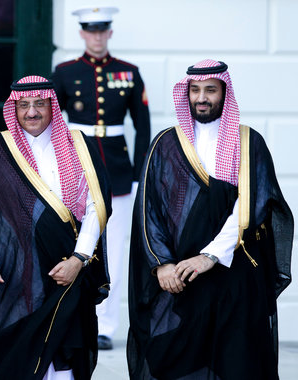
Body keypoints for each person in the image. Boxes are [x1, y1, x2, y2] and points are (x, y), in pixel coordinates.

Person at [127, 59, 293, 379]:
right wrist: (161, 264)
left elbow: (253, 205)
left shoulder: (249, 142)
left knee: (238, 360)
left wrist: (210, 255)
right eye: (195, 90)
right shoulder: (165, 143)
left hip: (236, 273)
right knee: (176, 360)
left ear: (224, 93)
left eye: (210, 90)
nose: (202, 97)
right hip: (180, 276)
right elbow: (148, 210)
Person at [0, 75, 112, 380]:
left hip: (66, 270)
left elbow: (97, 207)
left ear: (52, 105)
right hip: (13, 275)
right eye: (23, 105)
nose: (31, 112)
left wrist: (79, 260)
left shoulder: (79, 146)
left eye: (39, 103)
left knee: (65, 351)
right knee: (11, 352)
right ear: (13, 110)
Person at [52, 6, 151, 350]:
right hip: (77, 165)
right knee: (74, 241)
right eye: (90, 31)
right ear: (82, 33)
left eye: (102, 30)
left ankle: (106, 325)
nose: (96, 36)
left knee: (116, 244)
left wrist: (140, 175)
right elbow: (51, 122)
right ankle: (70, 312)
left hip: (118, 170)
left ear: (109, 32)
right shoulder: (65, 72)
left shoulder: (128, 73)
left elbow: (143, 126)